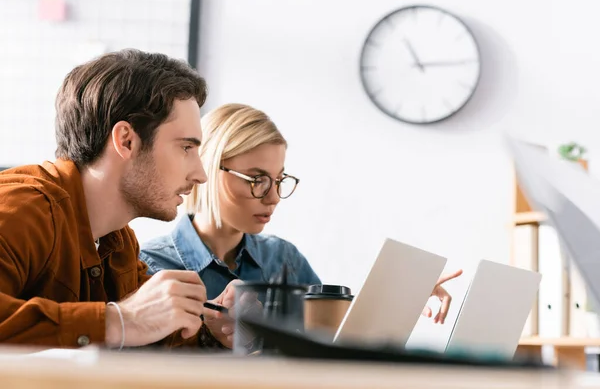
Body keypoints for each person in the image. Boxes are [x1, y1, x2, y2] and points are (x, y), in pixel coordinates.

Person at [140, 104, 461, 324]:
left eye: (279, 180)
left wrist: (404, 298)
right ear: (209, 168)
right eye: (256, 180)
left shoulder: (283, 258)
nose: (274, 197)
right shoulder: (152, 266)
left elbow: (331, 335)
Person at [0, 49, 235, 350]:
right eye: (186, 148)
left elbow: (149, 335)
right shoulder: (22, 209)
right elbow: (129, 322)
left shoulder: (119, 241)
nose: (201, 175)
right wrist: (118, 320)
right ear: (126, 140)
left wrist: (212, 330)